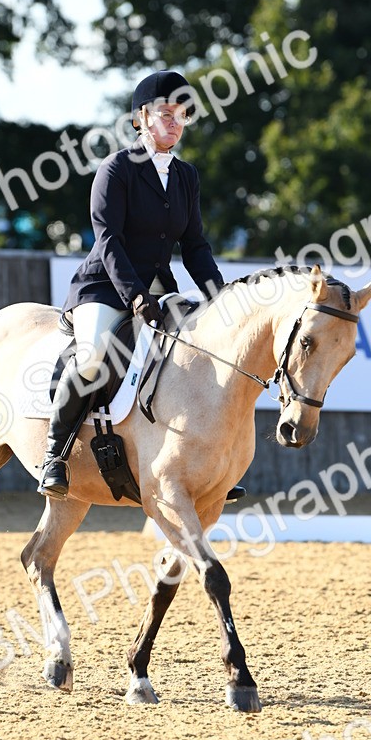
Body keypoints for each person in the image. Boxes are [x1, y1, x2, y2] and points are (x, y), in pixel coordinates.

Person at [38, 69, 245, 502]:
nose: (175, 122)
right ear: (142, 117)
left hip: (158, 287)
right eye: (167, 113)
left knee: (199, 354)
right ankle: (55, 454)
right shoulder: (117, 169)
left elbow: (195, 245)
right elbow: (108, 238)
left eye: (183, 115)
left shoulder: (186, 176)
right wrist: (134, 296)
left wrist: (222, 298)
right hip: (105, 288)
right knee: (94, 357)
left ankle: (206, 464)